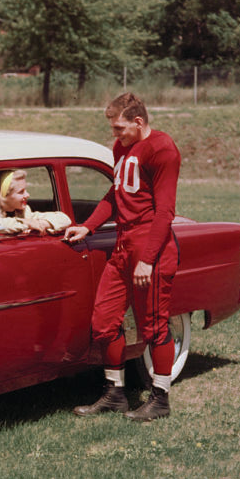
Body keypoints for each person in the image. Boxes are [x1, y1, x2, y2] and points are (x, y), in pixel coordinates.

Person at [63, 93, 181, 422]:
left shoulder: (163, 148)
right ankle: (115, 394)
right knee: (104, 321)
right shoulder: (121, 148)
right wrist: (88, 226)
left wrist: (148, 259)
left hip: (151, 245)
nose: (115, 134)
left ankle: (160, 398)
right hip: (123, 243)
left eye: (119, 128)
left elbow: (165, 211)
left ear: (138, 122)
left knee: (153, 326)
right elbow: (115, 195)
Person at [0, 169, 71, 234]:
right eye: (21, 192)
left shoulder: (23, 212)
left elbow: (64, 219)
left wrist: (41, 223)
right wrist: (27, 223)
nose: (27, 195)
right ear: (4, 196)